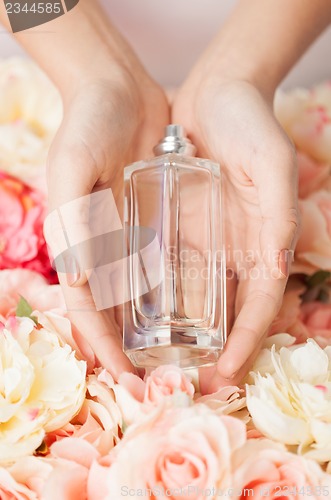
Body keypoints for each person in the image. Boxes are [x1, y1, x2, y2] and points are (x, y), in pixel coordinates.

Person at [1, 0, 330, 393]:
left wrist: (242, 73)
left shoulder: (205, 171)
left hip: (285, 49)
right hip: (53, 43)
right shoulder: (147, 171)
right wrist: (94, 74)